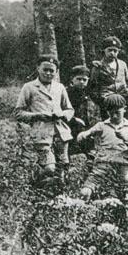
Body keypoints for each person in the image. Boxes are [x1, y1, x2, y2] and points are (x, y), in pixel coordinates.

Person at [15, 57, 74, 186]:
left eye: (52, 71)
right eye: (45, 70)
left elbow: (70, 109)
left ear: (56, 71)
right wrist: (38, 115)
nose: (48, 73)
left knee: (62, 168)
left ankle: (57, 196)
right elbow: (18, 113)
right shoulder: (29, 87)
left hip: (61, 132)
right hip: (41, 132)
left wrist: (62, 114)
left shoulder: (60, 87)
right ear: (38, 69)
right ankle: (34, 182)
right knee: (49, 168)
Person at [77, 94, 128, 202]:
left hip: (122, 166)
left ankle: (122, 214)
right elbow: (87, 133)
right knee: (85, 192)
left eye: (117, 112)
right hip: (103, 165)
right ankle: (86, 211)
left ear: (125, 109)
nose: (114, 116)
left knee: (125, 195)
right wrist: (83, 135)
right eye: (111, 113)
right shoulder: (102, 125)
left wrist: (125, 138)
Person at [89, 36, 128, 121]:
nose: (112, 53)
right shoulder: (98, 66)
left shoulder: (122, 64)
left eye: (115, 51)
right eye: (109, 50)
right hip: (107, 101)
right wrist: (101, 101)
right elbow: (93, 86)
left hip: (122, 98)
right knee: (109, 125)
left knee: (127, 123)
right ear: (104, 50)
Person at [66, 65, 98, 160]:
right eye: (78, 79)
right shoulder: (67, 93)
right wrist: (73, 119)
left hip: (86, 125)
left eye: (84, 80)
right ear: (72, 79)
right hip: (70, 124)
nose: (81, 82)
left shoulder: (88, 93)